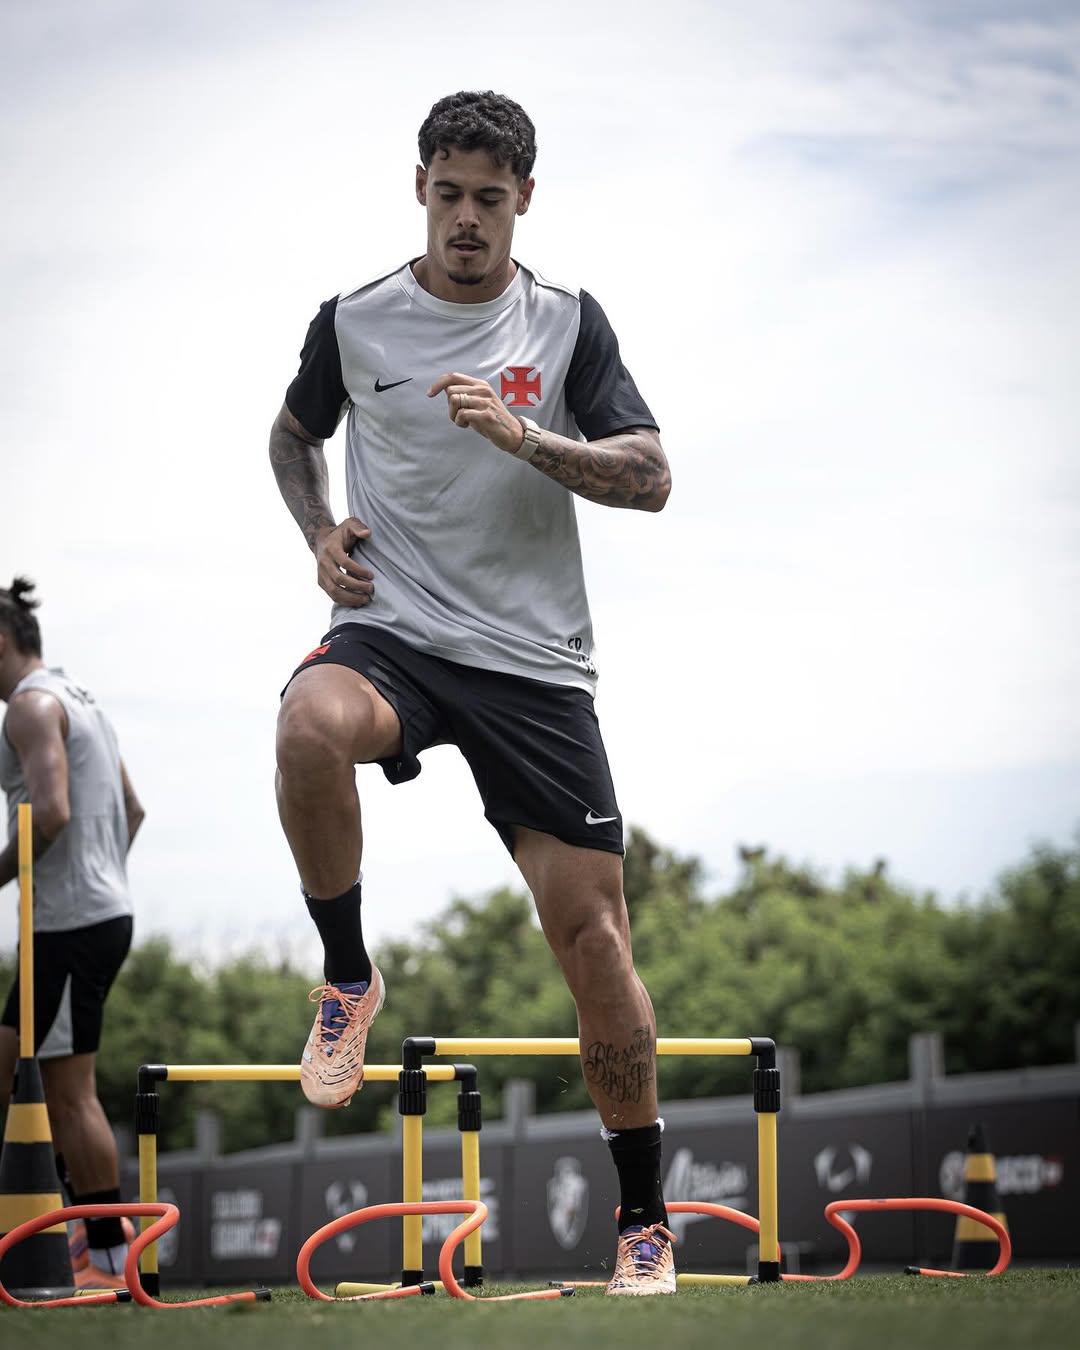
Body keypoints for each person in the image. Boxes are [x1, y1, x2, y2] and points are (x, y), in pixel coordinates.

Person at [270, 91, 675, 1295]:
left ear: (523, 201)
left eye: (488, 199)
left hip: (535, 664)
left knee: (595, 942)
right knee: (306, 725)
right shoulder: (353, 320)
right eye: (446, 193)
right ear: (420, 189)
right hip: (394, 632)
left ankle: (644, 1224)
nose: (464, 219)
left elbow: (652, 475)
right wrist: (318, 529)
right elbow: (291, 437)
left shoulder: (567, 323)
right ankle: (348, 976)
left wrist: (527, 439)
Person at [0, 577, 143, 1290]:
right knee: (10, 1069)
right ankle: (63, 1232)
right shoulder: (80, 698)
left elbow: (50, 812)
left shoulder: (30, 707)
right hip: (92, 913)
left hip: (68, 922)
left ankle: (109, 1258)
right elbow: (133, 810)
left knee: (68, 1092)